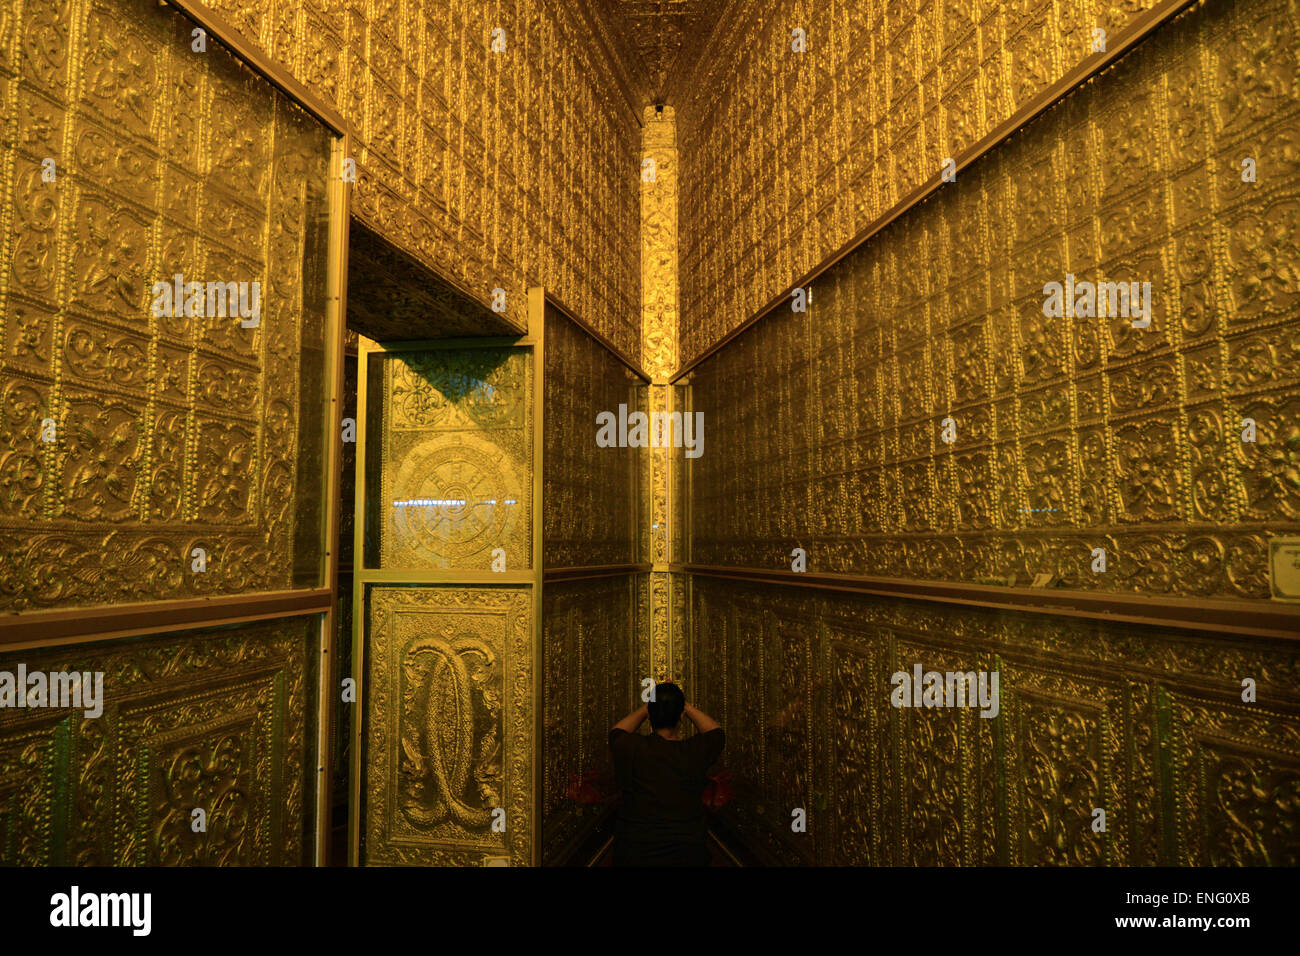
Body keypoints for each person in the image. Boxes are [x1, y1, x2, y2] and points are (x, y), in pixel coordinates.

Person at [608, 682, 725, 866]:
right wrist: (684, 705)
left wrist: (650, 707)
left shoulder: (631, 747)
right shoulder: (693, 752)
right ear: (681, 716)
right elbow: (716, 733)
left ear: (650, 716)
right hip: (686, 853)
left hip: (635, 853)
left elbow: (616, 731)